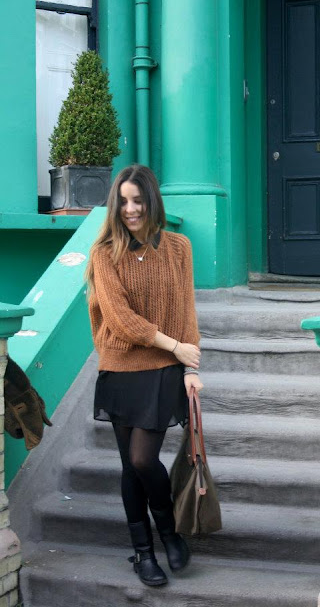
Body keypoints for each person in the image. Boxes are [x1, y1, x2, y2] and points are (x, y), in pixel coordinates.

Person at [85, 164, 203, 587]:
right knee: (130, 466)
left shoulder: (178, 247)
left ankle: (168, 533)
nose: (130, 209)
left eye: (137, 200)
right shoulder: (104, 253)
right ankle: (144, 552)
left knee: (141, 459)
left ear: (152, 201)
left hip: (163, 371)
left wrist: (190, 366)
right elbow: (120, 320)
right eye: (122, 201)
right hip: (121, 368)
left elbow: (186, 310)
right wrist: (174, 346)